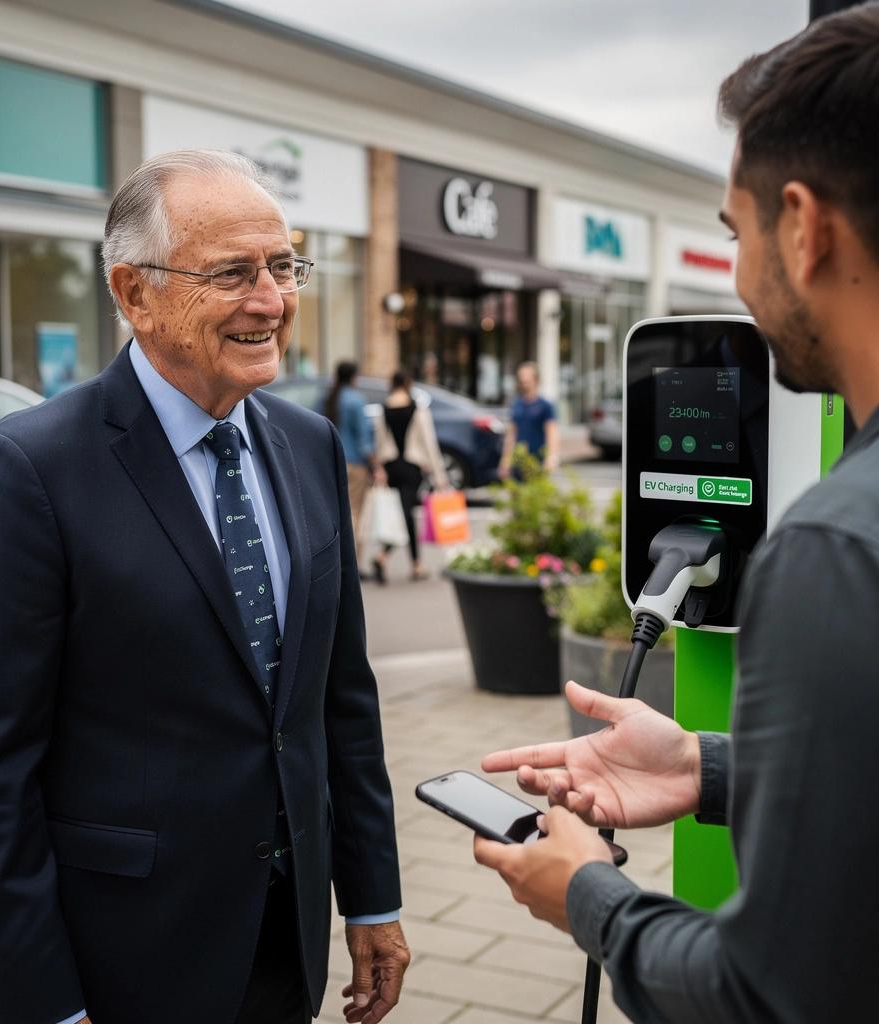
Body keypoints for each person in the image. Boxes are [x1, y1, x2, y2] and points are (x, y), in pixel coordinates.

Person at [0, 150, 409, 1024]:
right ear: (133, 292)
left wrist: (371, 896)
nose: (271, 301)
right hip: (117, 966)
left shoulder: (307, 445)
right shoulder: (25, 471)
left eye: (282, 265)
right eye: (232, 272)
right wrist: (42, 1004)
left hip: (282, 947)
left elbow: (339, 699)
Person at [473, 7, 879, 1022]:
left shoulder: (832, 551)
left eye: (734, 234)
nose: (740, 277)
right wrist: (706, 764)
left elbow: (769, 996)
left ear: (802, 225)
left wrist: (588, 899)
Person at [372, 369, 449, 583]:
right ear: (407, 383)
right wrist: (439, 475)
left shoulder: (384, 409)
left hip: (391, 466)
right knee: (405, 515)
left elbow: (379, 441)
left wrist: (379, 469)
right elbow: (429, 443)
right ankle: (386, 556)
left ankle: (415, 564)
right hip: (411, 467)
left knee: (404, 515)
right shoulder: (418, 409)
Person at [324, 361, 378, 569]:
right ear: (354, 377)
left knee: (335, 512)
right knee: (355, 512)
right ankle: (352, 562)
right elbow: (364, 439)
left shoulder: (328, 398)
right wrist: (375, 464)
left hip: (331, 462)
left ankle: (337, 561)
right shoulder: (356, 400)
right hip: (355, 463)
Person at [498, 361, 559, 477]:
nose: (523, 380)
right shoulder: (516, 404)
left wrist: (552, 456)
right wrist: (505, 460)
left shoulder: (545, 406)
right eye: (521, 376)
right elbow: (511, 433)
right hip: (519, 460)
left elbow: (552, 432)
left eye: (526, 376)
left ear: (536, 380)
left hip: (538, 461)